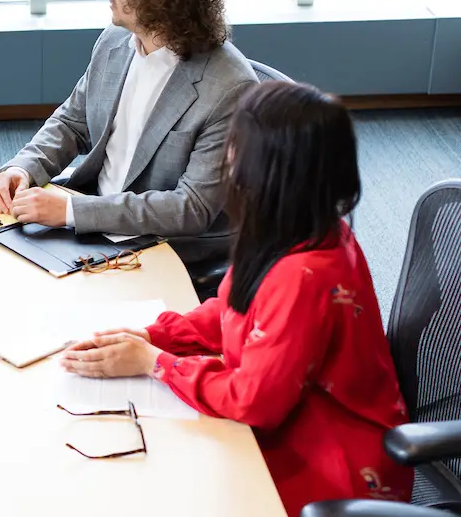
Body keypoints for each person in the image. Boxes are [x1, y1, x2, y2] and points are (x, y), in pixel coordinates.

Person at [58, 82, 411, 516]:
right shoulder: (297, 226)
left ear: (267, 171)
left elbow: (254, 402)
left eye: (235, 148)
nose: (227, 158)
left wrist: (154, 362)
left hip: (330, 463)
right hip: (293, 422)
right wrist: (155, 334)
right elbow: (233, 308)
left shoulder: (304, 276)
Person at [0, 0, 257, 265]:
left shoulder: (229, 87)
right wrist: (24, 168)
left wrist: (71, 211)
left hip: (166, 243)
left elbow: (192, 208)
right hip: (90, 213)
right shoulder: (115, 41)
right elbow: (73, 121)